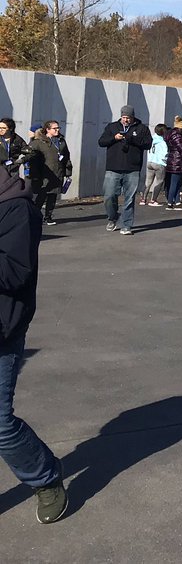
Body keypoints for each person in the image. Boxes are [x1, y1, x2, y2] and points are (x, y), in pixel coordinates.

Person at [0, 163, 68, 523]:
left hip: (2, 327)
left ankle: (45, 478)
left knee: (0, 425)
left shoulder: (16, 207)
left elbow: (14, 272)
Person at [97, 104, 153, 235]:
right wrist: (114, 138)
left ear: (133, 117)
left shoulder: (142, 128)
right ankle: (112, 218)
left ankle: (127, 225)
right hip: (113, 168)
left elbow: (147, 144)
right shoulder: (112, 127)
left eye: (128, 117)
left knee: (129, 198)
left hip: (132, 169)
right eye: (123, 117)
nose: (125, 120)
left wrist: (132, 138)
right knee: (109, 196)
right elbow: (101, 142)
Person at [26, 121, 71, 226]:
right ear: (47, 129)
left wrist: (68, 172)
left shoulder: (61, 141)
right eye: (54, 128)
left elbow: (67, 157)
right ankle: (35, 215)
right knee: (41, 195)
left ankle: (48, 217)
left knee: (53, 195)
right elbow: (29, 154)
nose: (57, 130)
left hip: (58, 172)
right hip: (44, 173)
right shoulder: (39, 142)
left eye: (58, 128)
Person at [164, 116, 182, 209]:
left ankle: (177, 201)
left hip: (171, 159)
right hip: (177, 161)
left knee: (175, 182)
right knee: (175, 183)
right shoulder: (177, 136)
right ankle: (170, 202)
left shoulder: (170, 134)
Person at [142, 124, 168, 206]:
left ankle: (143, 199)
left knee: (148, 181)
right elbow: (165, 154)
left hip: (150, 162)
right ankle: (153, 200)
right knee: (159, 181)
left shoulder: (151, 139)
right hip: (159, 163)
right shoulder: (163, 142)